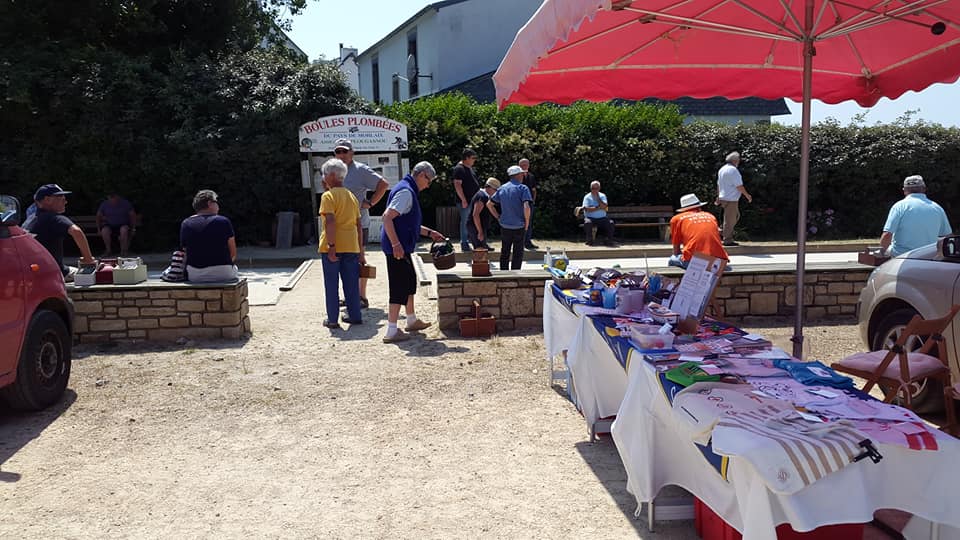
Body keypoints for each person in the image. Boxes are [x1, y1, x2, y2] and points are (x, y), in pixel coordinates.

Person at [381, 161, 445, 344]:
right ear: (422, 175)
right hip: (397, 248)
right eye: (429, 180)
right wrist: (395, 244)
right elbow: (387, 217)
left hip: (402, 247)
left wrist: (430, 233)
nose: (428, 185)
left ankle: (411, 320)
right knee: (398, 287)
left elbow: (409, 223)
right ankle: (391, 331)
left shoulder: (407, 189)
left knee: (409, 282)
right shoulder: (406, 192)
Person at [335, 138, 388, 309]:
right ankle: (351, 295)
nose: (341, 155)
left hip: (358, 223)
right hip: (339, 224)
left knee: (359, 258)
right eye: (338, 151)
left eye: (345, 151)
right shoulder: (334, 170)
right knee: (343, 259)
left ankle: (362, 297)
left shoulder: (360, 170)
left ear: (352, 152)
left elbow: (383, 184)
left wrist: (371, 202)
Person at [318, 158, 365, 328]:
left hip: (333, 245)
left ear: (331, 175)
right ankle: (355, 315)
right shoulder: (352, 197)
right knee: (351, 283)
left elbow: (330, 221)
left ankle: (332, 319)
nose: (323, 178)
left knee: (331, 285)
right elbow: (359, 225)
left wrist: (331, 247)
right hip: (351, 245)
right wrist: (360, 251)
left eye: (324, 174)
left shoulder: (328, 196)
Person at [22, 183, 95, 281]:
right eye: (61, 197)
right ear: (47, 200)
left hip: (32, 272)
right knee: (98, 275)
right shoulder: (54, 218)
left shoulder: (29, 220)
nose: (65, 201)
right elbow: (77, 232)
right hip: (55, 273)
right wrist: (88, 260)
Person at [881, 175, 952, 257]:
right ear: (924, 189)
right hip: (929, 258)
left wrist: (882, 252)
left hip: (901, 258)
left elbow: (887, 235)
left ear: (904, 190)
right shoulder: (937, 208)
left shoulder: (899, 207)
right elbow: (947, 237)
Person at [179, 190, 238, 283]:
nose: (218, 206)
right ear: (210, 203)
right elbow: (233, 253)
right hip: (224, 273)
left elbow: (186, 252)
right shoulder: (223, 221)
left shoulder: (186, 223)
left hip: (195, 275)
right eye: (216, 202)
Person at [488, 166, 532, 270]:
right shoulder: (523, 188)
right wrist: (527, 222)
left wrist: (498, 217)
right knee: (518, 252)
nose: (523, 175)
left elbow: (489, 204)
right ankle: (515, 274)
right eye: (521, 174)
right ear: (518, 175)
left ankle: (503, 273)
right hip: (519, 225)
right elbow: (526, 207)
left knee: (505, 251)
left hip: (505, 225)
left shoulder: (502, 188)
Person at [669, 193, 729, 269]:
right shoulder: (710, 216)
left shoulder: (677, 219)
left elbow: (676, 250)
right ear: (699, 207)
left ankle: (679, 280)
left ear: (683, 209)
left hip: (695, 261)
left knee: (672, 259)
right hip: (720, 261)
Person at [715, 151, 752, 246]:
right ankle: (727, 239)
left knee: (733, 217)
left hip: (724, 197)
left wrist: (718, 196)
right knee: (730, 219)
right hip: (731, 199)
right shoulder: (733, 170)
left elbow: (719, 184)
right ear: (735, 160)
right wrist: (747, 195)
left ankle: (722, 232)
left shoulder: (722, 169)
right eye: (738, 160)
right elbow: (739, 186)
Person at [452, 148, 480, 253]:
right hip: (466, 201)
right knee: (465, 222)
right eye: (473, 158)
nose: (474, 160)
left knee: (472, 222)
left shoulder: (469, 168)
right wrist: (463, 199)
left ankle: (473, 241)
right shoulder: (459, 169)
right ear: (466, 158)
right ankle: (464, 242)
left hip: (473, 200)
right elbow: (457, 185)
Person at [96, 192, 137, 257]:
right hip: (109, 225)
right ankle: (108, 251)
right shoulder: (104, 204)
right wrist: (98, 229)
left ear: (118, 196)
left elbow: (132, 216)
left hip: (123, 224)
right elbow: (98, 216)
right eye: (110, 197)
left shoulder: (125, 203)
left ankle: (123, 251)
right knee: (104, 231)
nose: (112, 198)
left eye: (113, 196)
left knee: (124, 230)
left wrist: (133, 228)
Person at [467, 177, 500, 251]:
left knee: (482, 245)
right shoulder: (481, 196)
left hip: (480, 225)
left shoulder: (486, 196)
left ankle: (484, 247)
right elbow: (475, 215)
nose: (496, 193)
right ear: (490, 188)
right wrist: (480, 231)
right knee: (479, 249)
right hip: (475, 226)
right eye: (496, 190)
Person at [580, 181, 616, 247]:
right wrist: (599, 207)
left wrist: (598, 198)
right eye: (593, 188)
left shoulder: (602, 196)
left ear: (599, 188)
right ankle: (589, 240)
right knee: (588, 223)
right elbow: (587, 209)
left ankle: (608, 240)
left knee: (611, 223)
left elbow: (605, 206)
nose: (594, 190)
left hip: (602, 218)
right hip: (590, 218)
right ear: (590, 188)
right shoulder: (587, 197)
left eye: (596, 188)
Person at [519, 158, 539, 250]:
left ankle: (528, 241)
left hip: (529, 203)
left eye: (526, 165)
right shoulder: (517, 176)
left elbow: (534, 189)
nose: (524, 166)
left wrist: (533, 200)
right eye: (522, 165)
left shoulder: (531, 176)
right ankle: (519, 242)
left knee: (529, 223)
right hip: (519, 203)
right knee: (519, 222)